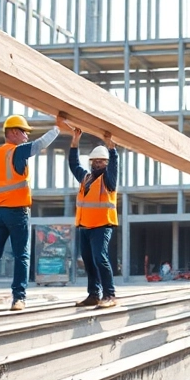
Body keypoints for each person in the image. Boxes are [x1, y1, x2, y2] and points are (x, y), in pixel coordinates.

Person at [0, 113, 60, 312]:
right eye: (24, 132)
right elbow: (40, 144)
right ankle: (18, 298)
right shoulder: (16, 152)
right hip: (17, 212)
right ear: (14, 132)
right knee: (22, 255)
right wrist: (57, 128)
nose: (27, 136)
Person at [64, 121, 118, 309]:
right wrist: (75, 142)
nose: (97, 163)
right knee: (88, 260)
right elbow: (73, 164)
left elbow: (113, 168)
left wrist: (112, 148)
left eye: (101, 161)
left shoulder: (108, 180)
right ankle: (93, 294)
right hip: (85, 226)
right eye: (94, 161)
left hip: (102, 225)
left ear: (106, 163)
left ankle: (109, 294)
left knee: (99, 257)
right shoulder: (86, 178)